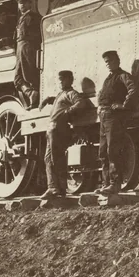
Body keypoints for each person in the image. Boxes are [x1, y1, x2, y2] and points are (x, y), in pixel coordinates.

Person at [42, 70, 93, 199]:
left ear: (70, 80)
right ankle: (53, 187)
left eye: (62, 80)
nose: (60, 82)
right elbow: (61, 100)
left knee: (56, 158)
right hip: (52, 129)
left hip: (58, 129)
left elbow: (81, 103)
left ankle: (59, 188)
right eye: (59, 80)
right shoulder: (62, 94)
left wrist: (67, 113)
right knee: (48, 158)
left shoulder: (71, 93)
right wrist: (49, 99)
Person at [96, 50, 139, 194]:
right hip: (104, 117)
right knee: (103, 152)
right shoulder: (109, 78)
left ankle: (115, 184)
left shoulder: (123, 76)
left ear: (118, 61)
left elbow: (134, 90)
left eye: (111, 61)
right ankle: (106, 184)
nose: (108, 64)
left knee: (112, 151)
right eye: (106, 62)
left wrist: (124, 106)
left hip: (113, 117)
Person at [14, 0, 41, 107]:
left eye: (25, 3)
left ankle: (33, 94)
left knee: (27, 74)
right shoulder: (22, 18)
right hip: (21, 47)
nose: (22, 5)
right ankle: (31, 93)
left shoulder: (32, 17)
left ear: (30, 3)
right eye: (21, 3)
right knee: (18, 78)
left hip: (27, 47)